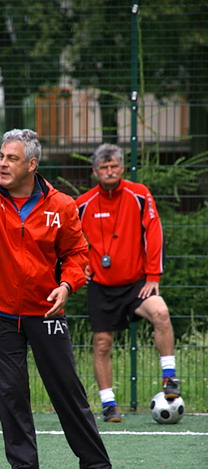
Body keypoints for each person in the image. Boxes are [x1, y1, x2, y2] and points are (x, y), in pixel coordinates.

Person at [0, 129, 118, 469]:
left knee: (66, 388)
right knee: (10, 391)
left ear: (32, 164)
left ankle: (96, 464)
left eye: (12, 158)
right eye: (1, 157)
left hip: (46, 310)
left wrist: (67, 285)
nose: (2, 164)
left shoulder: (62, 205)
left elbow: (77, 254)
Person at [75, 143, 180, 423]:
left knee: (160, 312)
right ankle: (109, 404)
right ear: (95, 171)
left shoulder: (140, 194)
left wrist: (153, 276)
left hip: (136, 284)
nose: (109, 171)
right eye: (104, 167)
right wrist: (78, 268)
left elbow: (154, 234)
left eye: (114, 166)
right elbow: (70, 242)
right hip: (100, 286)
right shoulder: (82, 204)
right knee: (102, 344)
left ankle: (169, 379)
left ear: (122, 167)